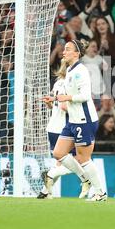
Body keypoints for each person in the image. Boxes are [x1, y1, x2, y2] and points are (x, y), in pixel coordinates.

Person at [47, 39, 107, 202]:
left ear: (76, 53)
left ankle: (100, 192)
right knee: (58, 153)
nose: (64, 52)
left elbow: (86, 96)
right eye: (64, 49)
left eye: (67, 49)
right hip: (73, 120)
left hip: (84, 120)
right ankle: (85, 179)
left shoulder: (80, 71)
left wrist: (66, 97)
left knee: (84, 158)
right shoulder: (71, 71)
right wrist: (54, 100)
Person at [37, 61, 82, 199]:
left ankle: (45, 192)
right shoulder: (69, 83)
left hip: (52, 127)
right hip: (65, 128)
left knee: (60, 162)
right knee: (79, 160)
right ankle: (51, 174)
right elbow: (63, 106)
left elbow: (51, 105)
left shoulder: (57, 83)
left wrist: (50, 103)